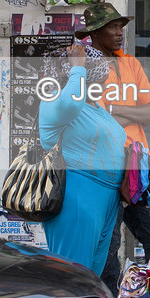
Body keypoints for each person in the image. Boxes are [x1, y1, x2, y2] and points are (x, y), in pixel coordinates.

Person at [83, 2, 150, 295]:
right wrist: (132, 110)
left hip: (137, 166)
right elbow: (88, 115)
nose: (120, 32)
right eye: (112, 27)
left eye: (121, 26)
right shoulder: (84, 65)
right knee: (108, 248)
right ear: (96, 32)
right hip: (103, 167)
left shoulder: (131, 63)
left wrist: (115, 110)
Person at [39, 42, 126, 274]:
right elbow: (70, 102)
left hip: (106, 199)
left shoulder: (94, 105)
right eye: (99, 70)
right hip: (77, 195)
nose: (106, 78)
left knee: (91, 276)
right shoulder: (56, 101)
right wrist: (78, 66)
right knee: (72, 275)